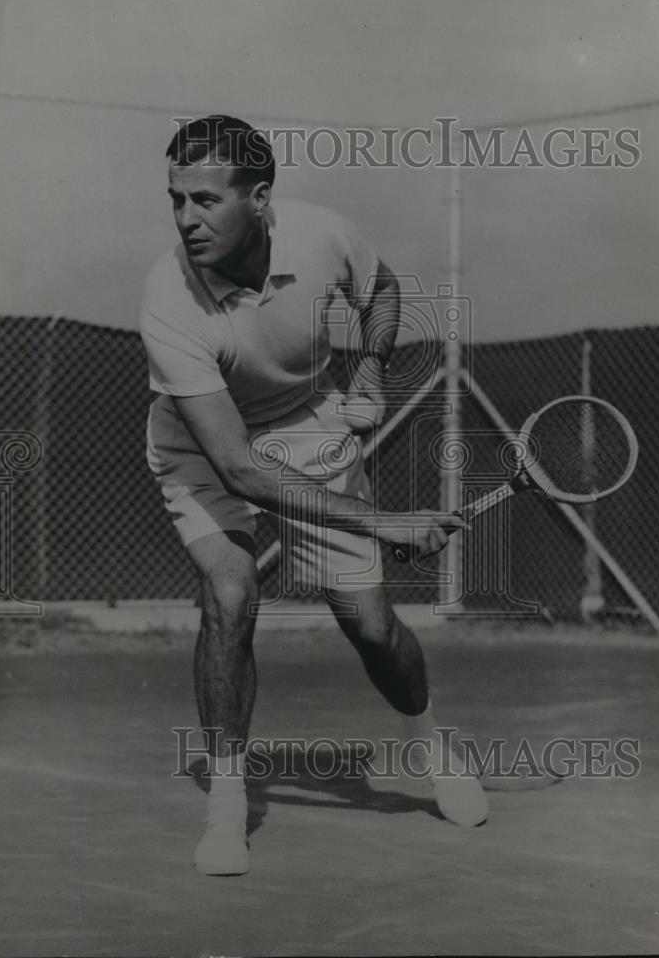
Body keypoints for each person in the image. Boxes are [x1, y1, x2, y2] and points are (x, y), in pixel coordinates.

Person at [140, 115, 487, 876]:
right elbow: (238, 469)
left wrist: (369, 370)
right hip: (203, 444)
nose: (185, 219)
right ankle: (227, 809)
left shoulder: (325, 234)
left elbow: (383, 289)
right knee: (229, 595)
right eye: (176, 200)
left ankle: (432, 746)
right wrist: (384, 517)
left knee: (368, 625)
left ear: (259, 198)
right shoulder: (169, 296)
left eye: (205, 200)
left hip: (305, 421)